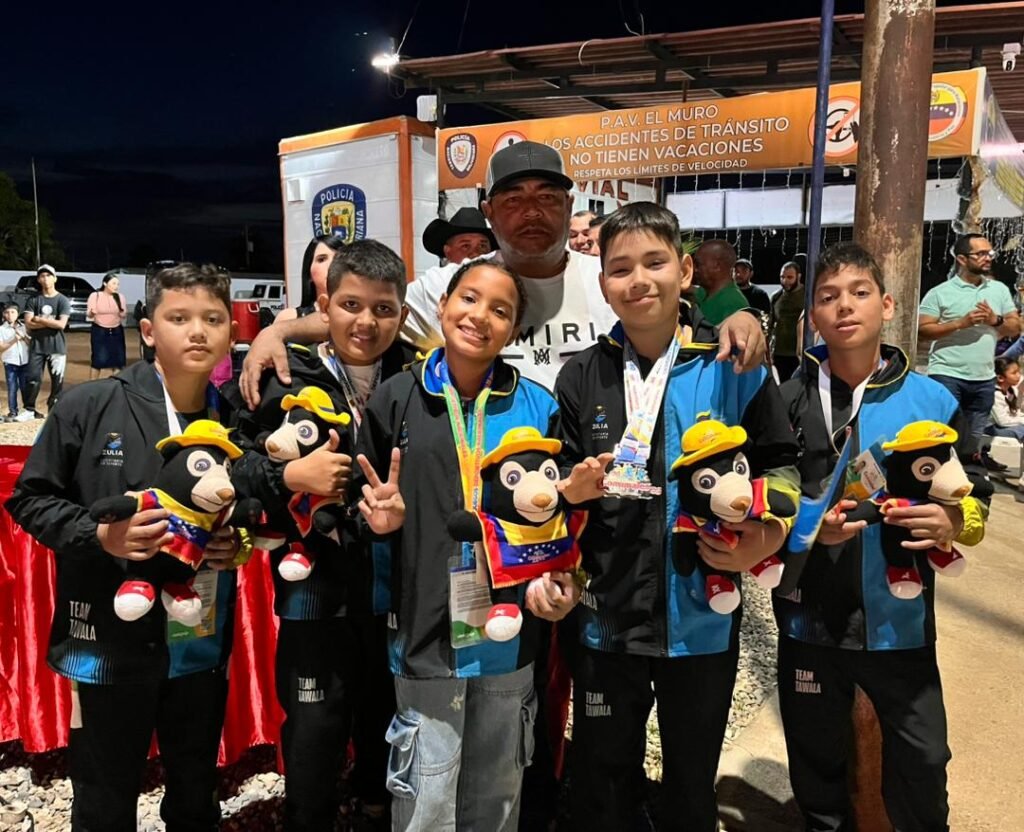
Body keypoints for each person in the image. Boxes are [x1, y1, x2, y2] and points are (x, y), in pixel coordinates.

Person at [237, 140, 767, 828]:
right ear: (488, 213)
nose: (531, 211)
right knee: (452, 760)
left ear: (570, 206)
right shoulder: (436, 320)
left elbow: (665, 315)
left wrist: (737, 314)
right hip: (446, 587)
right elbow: (366, 309)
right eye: (513, 198)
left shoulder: (600, 280)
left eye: (547, 196)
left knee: (525, 739)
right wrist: (279, 329)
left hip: (555, 559)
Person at [4, 263, 341, 832]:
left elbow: (251, 504)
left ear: (229, 331)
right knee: (104, 796)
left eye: (213, 319)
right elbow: (29, 499)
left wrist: (235, 543)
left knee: (194, 791)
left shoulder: (233, 418)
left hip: (198, 638)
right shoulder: (90, 406)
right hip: (109, 639)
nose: (198, 332)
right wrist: (101, 535)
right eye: (179, 318)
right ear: (147, 329)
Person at [553, 202, 800, 831]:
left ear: (684, 271)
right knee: (602, 781)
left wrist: (767, 536)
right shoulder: (581, 375)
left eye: (654, 263)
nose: (638, 280)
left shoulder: (733, 365)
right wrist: (571, 491)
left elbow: (780, 462)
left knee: (691, 782)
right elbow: (559, 488)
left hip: (702, 613)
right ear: (603, 282)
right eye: (620, 268)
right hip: (605, 617)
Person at [354, 258, 579, 831]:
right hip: (424, 628)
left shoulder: (539, 406)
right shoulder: (397, 399)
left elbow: (557, 520)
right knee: (426, 794)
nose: (480, 316)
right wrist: (379, 522)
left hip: (511, 627)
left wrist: (561, 582)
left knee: (498, 789)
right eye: (469, 298)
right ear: (443, 305)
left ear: (515, 330)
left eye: (500, 310)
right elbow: (360, 502)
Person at [774, 242, 990, 831]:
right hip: (807, 617)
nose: (844, 306)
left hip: (901, 619)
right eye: (828, 297)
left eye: (859, 293)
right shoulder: (785, 400)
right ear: (812, 316)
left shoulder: (933, 399)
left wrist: (953, 523)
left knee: (923, 758)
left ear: (887, 305)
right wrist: (806, 532)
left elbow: (976, 499)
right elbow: (764, 498)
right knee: (815, 762)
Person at [229, 240, 415, 831]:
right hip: (313, 588)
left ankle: (376, 808)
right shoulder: (285, 372)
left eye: (383, 309)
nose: (366, 322)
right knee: (314, 724)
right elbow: (230, 463)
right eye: (351, 305)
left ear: (402, 313)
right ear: (326, 304)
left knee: (388, 714)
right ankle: (307, 817)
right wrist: (287, 476)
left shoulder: (420, 375)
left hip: (397, 586)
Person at [918, 234, 1020, 453]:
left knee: (973, 438)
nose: (988, 257)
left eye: (990, 253)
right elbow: (923, 331)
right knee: (944, 433)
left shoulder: (999, 290)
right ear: (962, 259)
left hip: (984, 377)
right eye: (980, 253)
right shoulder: (940, 293)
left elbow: (1015, 327)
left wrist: (995, 320)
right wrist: (960, 323)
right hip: (946, 373)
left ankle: (967, 470)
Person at [22, 264, 71, 418]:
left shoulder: (62, 300)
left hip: (57, 347)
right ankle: (29, 409)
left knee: (57, 381)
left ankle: (54, 409)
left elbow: (61, 325)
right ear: (38, 279)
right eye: (42, 276)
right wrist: (50, 322)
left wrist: (40, 319)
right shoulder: (33, 299)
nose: (45, 279)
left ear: (55, 278)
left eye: (49, 275)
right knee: (32, 379)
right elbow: (28, 323)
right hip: (37, 346)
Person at [691, 239, 750, 326]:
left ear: (717, 266)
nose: (695, 270)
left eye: (699, 264)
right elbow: (691, 289)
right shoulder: (709, 293)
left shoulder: (732, 303)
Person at [87, 273, 128, 379]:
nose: (116, 286)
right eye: (113, 283)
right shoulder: (95, 296)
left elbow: (123, 314)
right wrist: (92, 312)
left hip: (116, 330)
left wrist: (122, 312)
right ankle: (92, 384)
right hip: (99, 330)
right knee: (98, 359)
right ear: (105, 283)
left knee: (119, 360)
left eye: (117, 284)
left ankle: (116, 383)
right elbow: (89, 314)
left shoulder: (120, 297)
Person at [422, 206, 496, 265]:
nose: (476, 254)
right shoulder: (435, 279)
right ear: (448, 252)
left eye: (482, 246)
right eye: (465, 246)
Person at [772, 260, 804, 381]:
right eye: (782, 277)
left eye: (790, 277)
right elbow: (770, 325)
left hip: (799, 353)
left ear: (798, 276)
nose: (785, 281)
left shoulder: (807, 296)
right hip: (779, 352)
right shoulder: (776, 297)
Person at [0, 303, 30, 421]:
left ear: (18, 314)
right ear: (3, 314)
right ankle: (13, 411)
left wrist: (24, 337)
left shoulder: (24, 327)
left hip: (25, 361)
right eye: (7, 312)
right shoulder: (2, 329)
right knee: (12, 387)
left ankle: (27, 410)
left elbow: (31, 344)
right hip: (10, 362)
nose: (10, 315)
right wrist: (14, 339)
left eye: (13, 312)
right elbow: (1, 347)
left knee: (25, 387)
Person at [989, 356, 1024, 442]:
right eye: (1014, 373)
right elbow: (1002, 421)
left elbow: (1014, 413)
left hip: (1007, 424)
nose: (1018, 375)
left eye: (1018, 371)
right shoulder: (995, 395)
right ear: (1000, 378)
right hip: (992, 427)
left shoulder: (1011, 390)